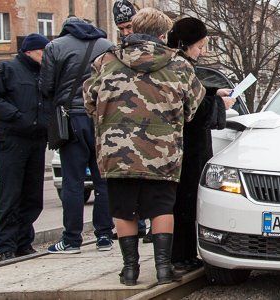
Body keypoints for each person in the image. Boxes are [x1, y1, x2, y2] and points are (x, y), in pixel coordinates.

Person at [83, 8, 205, 285]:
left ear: (132, 29)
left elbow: (88, 99)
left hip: (116, 150)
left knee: (123, 208)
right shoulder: (180, 65)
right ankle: (163, 269)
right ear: (163, 34)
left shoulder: (106, 60)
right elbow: (192, 107)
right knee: (162, 206)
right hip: (162, 151)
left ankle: (129, 270)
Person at [166, 17, 236, 274]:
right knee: (184, 201)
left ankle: (181, 254)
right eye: (199, 45)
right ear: (185, 44)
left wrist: (211, 93)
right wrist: (220, 105)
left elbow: (190, 94)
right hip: (187, 147)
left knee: (183, 201)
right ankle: (181, 256)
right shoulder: (180, 65)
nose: (202, 51)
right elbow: (191, 109)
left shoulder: (177, 64)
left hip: (185, 146)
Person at [39, 17, 115, 254]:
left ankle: (72, 240)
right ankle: (104, 236)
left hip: (71, 120)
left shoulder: (55, 46)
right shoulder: (107, 45)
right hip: (102, 119)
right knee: (104, 180)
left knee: (73, 182)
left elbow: (46, 86)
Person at [0, 34, 49, 261]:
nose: (46, 56)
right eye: (43, 51)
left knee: (32, 196)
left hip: (36, 140)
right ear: (30, 51)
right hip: (12, 139)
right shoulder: (6, 69)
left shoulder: (43, 73)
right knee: (11, 193)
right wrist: (15, 116)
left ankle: (25, 242)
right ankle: (6, 246)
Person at [111, 0, 149, 242]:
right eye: (122, 29)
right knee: (127, 193)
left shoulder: (157, 52)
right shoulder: (113, 56)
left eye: (129, 27)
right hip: (123, 131)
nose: (126, 33)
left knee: (152, 190)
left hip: (150, 131)